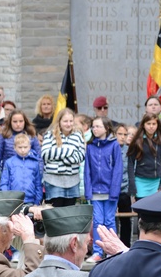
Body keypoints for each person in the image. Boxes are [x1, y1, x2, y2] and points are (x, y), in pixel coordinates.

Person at [85, 117, 123, 262]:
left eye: (98, 126)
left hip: (109, 191)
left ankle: (113, 250)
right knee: (98, 222)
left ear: (106, 128)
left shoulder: (114, 145)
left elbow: (117, 169)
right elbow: (87, 170)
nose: (95, 129)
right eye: (93, 127)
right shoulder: (90, 146)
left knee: (109, 221)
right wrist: (88, 190)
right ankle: (98, 252)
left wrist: (114, 191)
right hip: (95, 190)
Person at [41, 108, 86, 207]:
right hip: (53, 181)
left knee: (69, 212)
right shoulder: (50, 135)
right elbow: (45, 154)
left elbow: (81, 156)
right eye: (65, 121)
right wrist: (69, 150)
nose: (68, 124)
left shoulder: (78, 136)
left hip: (72, 181)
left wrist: (60, 157)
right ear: (59, 121)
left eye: (71, 121)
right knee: (55, 211)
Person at [127, 113, 161, 201]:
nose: (151, 126)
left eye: (154, 124)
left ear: (157, 125)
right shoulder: (137, 141)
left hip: (156, 181)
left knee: (155, 211)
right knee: (142, 211)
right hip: (140, 181)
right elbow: (130, 163)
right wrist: (132, 185)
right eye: (148, 124)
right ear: (143, 125)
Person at [0, 133, 44, 206]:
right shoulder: (9, 162)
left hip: (30, 200)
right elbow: (4, 182)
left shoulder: (34, 163)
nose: (23, 150)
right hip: (13, 200)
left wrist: (37, 201)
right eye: (20, 147)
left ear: (29, 147)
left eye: (25, 147)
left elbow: (38, 184)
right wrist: (7, 198)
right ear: (14, 147)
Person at [114, 123, 133, 247]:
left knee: (126, 220)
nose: (122, 137)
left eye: (125, 134)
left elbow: (132, 170)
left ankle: (126, 245)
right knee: (112, 220)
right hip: (112, 190)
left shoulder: (129, 151)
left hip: (125, 190)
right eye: (120, 134)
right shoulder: (111, 148)